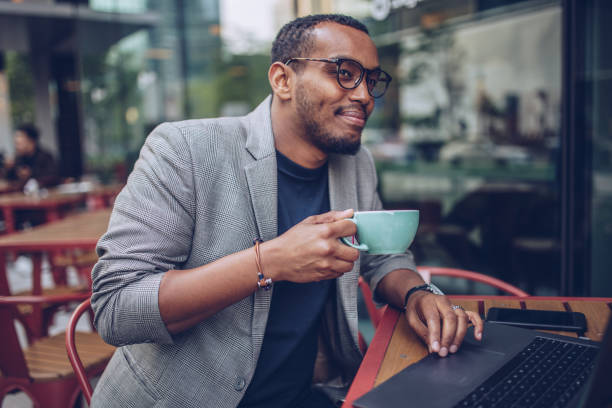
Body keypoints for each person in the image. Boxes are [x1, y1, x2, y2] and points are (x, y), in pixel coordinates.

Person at [90, 14, 483, 408]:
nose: (365, 95)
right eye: (345, 73)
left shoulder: (355, 163)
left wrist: (416, 292)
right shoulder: (185, 149)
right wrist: (270, 261)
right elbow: (117, 307)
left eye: (371, 80)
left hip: (307, 394)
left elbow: (383, 257)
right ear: (283, 80)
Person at [3, 123, 59, 189]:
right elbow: (10, 182)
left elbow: (53, 179)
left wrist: (31, 175)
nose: (16, 147)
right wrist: (9, 169)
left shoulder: (45, 157)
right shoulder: (18, 159)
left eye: (19, 143)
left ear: (31, 141)